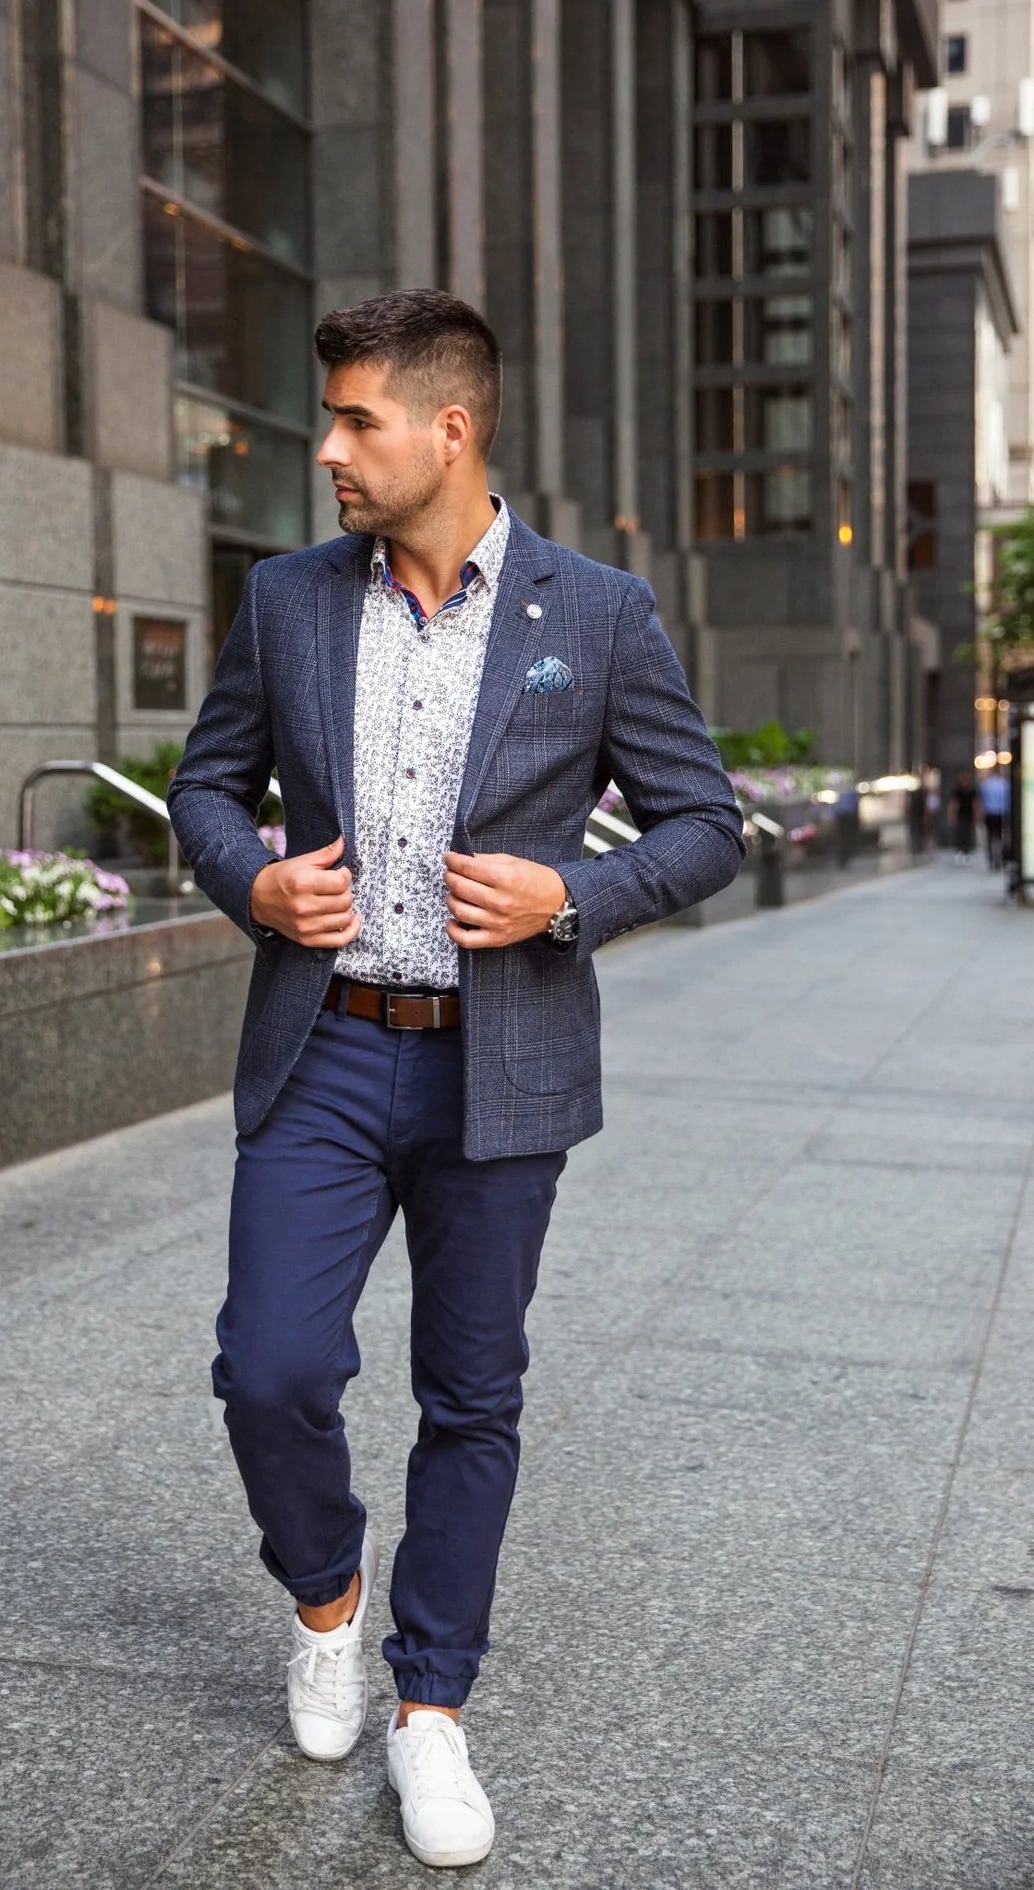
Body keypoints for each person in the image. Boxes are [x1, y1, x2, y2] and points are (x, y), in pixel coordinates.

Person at [167, 289, 745, 1871]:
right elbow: (204, 786)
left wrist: (572, 897)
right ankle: (328, 1600)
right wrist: (255, 885)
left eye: (356, 421)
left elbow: (709, 822)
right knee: (269, 1367)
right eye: (329, 419)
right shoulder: (288, 598)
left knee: (470, 1393)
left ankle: (435, 1706)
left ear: (450, 430)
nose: (329, 451)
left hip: (503, 1066)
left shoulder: (600, 611)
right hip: (328, 1042)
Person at [978, 766, 1010, 871]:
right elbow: (1008, 801)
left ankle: (992, 859)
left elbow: (982, 801)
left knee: (990, 836)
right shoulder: (1005, 784)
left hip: (990, 813)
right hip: (1002, 813)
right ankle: (1000, 857)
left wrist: (981, 814)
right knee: (1001, 836)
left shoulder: (985, 785)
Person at [949, 767, 978, 862]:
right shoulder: (957, 790)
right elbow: (954, 803)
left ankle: (966, 850)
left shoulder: (972, 790)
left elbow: (975, 803)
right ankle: (960, 850)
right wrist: (952, 814)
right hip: (960, 815)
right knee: (960, 833)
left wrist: (977, 814)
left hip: (969, 814)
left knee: (968, 833)